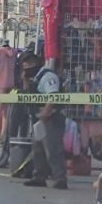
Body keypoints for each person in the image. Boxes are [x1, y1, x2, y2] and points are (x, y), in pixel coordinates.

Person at [20, 52, 68, 190]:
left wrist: (45, 113)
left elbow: (53, 96)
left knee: (53, 149)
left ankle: (60, 178)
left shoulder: (48, 77)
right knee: (37, 149)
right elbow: (28, 94)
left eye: (29, 64)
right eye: (25, 64)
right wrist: (25, 80)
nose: (26, 67)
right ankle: (39, 176)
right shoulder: (34, 78)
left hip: (51, 118)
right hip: (40, 119)